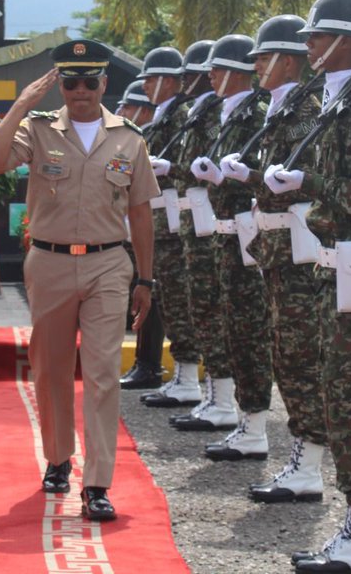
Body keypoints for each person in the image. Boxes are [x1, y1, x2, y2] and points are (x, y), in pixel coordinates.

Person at [0, 39, 159, 522]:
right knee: (52, 369)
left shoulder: (129, 138)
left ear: (104, 83)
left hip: (107, 264)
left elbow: (140, 212)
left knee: (102, 375)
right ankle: (58, 457)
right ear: (60, 84)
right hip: (51, 261)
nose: (80, 91)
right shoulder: (38, 130)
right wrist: (19, 105)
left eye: (89, 81)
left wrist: (146, 278)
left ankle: (96, 483)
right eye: (70, 82)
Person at [265, 0, 351, 573]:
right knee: (337, 401)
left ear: (345, 40)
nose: (310, 47)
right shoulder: (332, 104)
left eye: (318, 37)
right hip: (333, 273)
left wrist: (307, 185)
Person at [219, 15, 328, 503]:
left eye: (263, 58)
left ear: (287, 60)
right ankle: (300, 458)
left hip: (299, 253)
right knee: (286, 354)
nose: (257, 67)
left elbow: (312, 173)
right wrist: (251, 176)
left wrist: (256, 175)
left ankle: (308, 464)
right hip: (277, 249)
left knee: (301, 358)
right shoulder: (282, 108)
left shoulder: (305, 108)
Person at [189, 35, 273, 462]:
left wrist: (228, 177)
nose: (211, 76)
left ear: (238, 73)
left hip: (246, 230)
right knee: (230, 327)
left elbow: (261, 170)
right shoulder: (226, 113)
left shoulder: (255, 113)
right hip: (224, 232)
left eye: (218, 69)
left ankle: (254, 424)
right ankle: (241, 417)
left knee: (249, 332)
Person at [154, 39, 228, 428]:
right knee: (188, 307)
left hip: (208, 225)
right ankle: (194, 384)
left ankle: (222, 399)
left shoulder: (215, 113)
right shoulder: (199, 112)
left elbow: (201, 168)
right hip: (187, 223)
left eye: (191, 75)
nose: (186, 82)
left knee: (213, 312)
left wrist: (172, 168)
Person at [131, 46, 195, 401]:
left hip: (173, 223)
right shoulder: (163, 116)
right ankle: (181, 376)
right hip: (161, 221)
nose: (147, 86)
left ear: (172, 81)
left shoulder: (182, 116)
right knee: (169, 301)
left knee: (179, 304)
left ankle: (186, 379)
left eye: (153, 79)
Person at [116, 74, 162, 390]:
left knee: (151, 299)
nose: (122, 113)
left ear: (145, 111)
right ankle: (144, 363)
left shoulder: (150, 137)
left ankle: (149, 364)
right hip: (137, 227)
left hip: (159, 227)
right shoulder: (136, 138)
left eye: (130, 107)